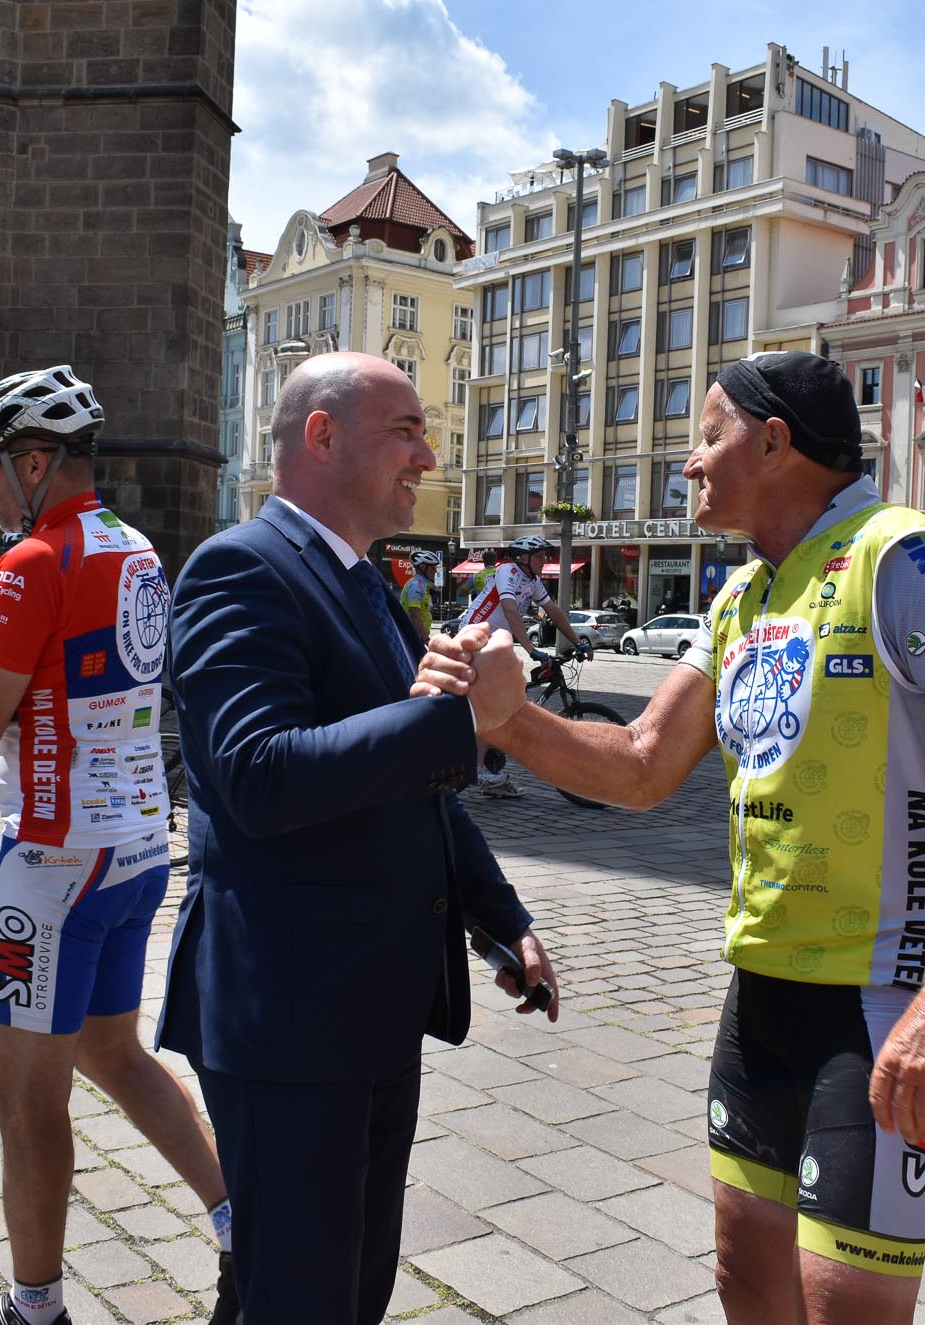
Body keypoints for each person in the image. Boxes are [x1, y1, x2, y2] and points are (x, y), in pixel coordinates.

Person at [443, 351, 925, 1325]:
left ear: (774, 442)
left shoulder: (900, 557)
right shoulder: (744, 596)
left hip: (878, 1006)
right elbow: (645, 763)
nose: (688, 464)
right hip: (760, 1001)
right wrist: (508, 718)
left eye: (707, 435)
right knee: (748, 1291)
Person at [158, 351, 559, 1325]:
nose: (427, 453)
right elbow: (258, 773)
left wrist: (498, 918)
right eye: (405, 430)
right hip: (288, 1016)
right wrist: (461, 721)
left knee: (340, 1294)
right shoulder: (238, 569)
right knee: (303, 1298)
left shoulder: (370, 588)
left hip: (369, 1011)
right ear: (321, 435)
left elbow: (409, 785)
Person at [0, 366, 237, 1325]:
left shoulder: (32, 561)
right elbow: (56, 694)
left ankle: (34, 1310)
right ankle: (245, 1219)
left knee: (28, 1101)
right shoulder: (136, 547)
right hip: (137, 845)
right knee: (112, 1050)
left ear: (35, 460)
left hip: (53, 864)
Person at [456, 534, 587, 797]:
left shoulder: (533, 581)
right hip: (475, 634)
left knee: (512, 694)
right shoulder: (508, 572)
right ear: (523, 557)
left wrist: (577, 641)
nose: (544, 561)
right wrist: (531, 649)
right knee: (491, 702)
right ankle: (482, 772)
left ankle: (491, 759)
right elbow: (510, 610)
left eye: (545, 556)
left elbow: (554, 611)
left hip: (497, 641)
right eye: (540, 556)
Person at [401, 550, 438, 639]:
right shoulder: (416, 586)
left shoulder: (423, 585)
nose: (435, 571)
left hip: (416, 636)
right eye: (433, 568)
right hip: (413, 637)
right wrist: (426, 639)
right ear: (423, 567)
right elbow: (415, 614)